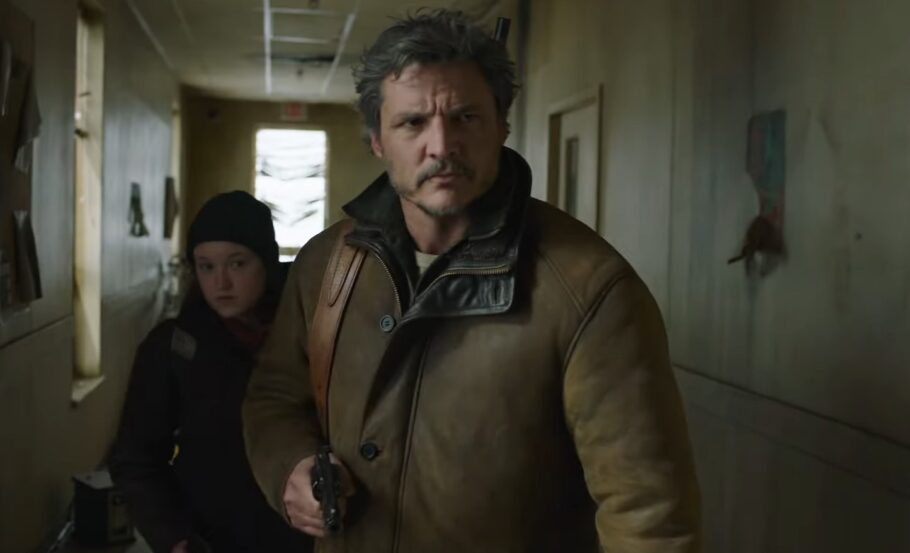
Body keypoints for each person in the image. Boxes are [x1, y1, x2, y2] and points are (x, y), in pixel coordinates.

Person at [243, 9, 701, 553]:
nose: (442, 146)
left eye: (465, 118)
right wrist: (290, 467)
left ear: (501, 126)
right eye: (413, 122)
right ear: (377, 139)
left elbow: (649, 519)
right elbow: (274, 397)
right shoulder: (329, 263)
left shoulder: (589, 290)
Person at [109, 191, 312, 553]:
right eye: (206, 266)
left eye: (237, 264)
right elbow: (135, 458)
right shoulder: (173, 348)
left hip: (303, 537)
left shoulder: (309, 338)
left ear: (266, 262)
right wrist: (173, 537)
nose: (221, 284)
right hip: (208, 539)